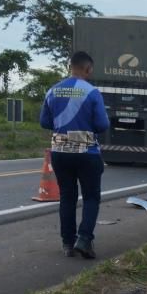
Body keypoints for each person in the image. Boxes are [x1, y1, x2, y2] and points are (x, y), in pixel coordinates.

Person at [40, 51, 109, 259]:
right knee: (90, 197)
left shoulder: (52, 91)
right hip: (87, 153)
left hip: (60, 153)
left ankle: (67, 243)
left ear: (70, 66)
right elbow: (102, 125)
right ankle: (84, 239)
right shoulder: (92, 92)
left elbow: (45, 122)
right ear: (88, 69)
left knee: (67, 198)